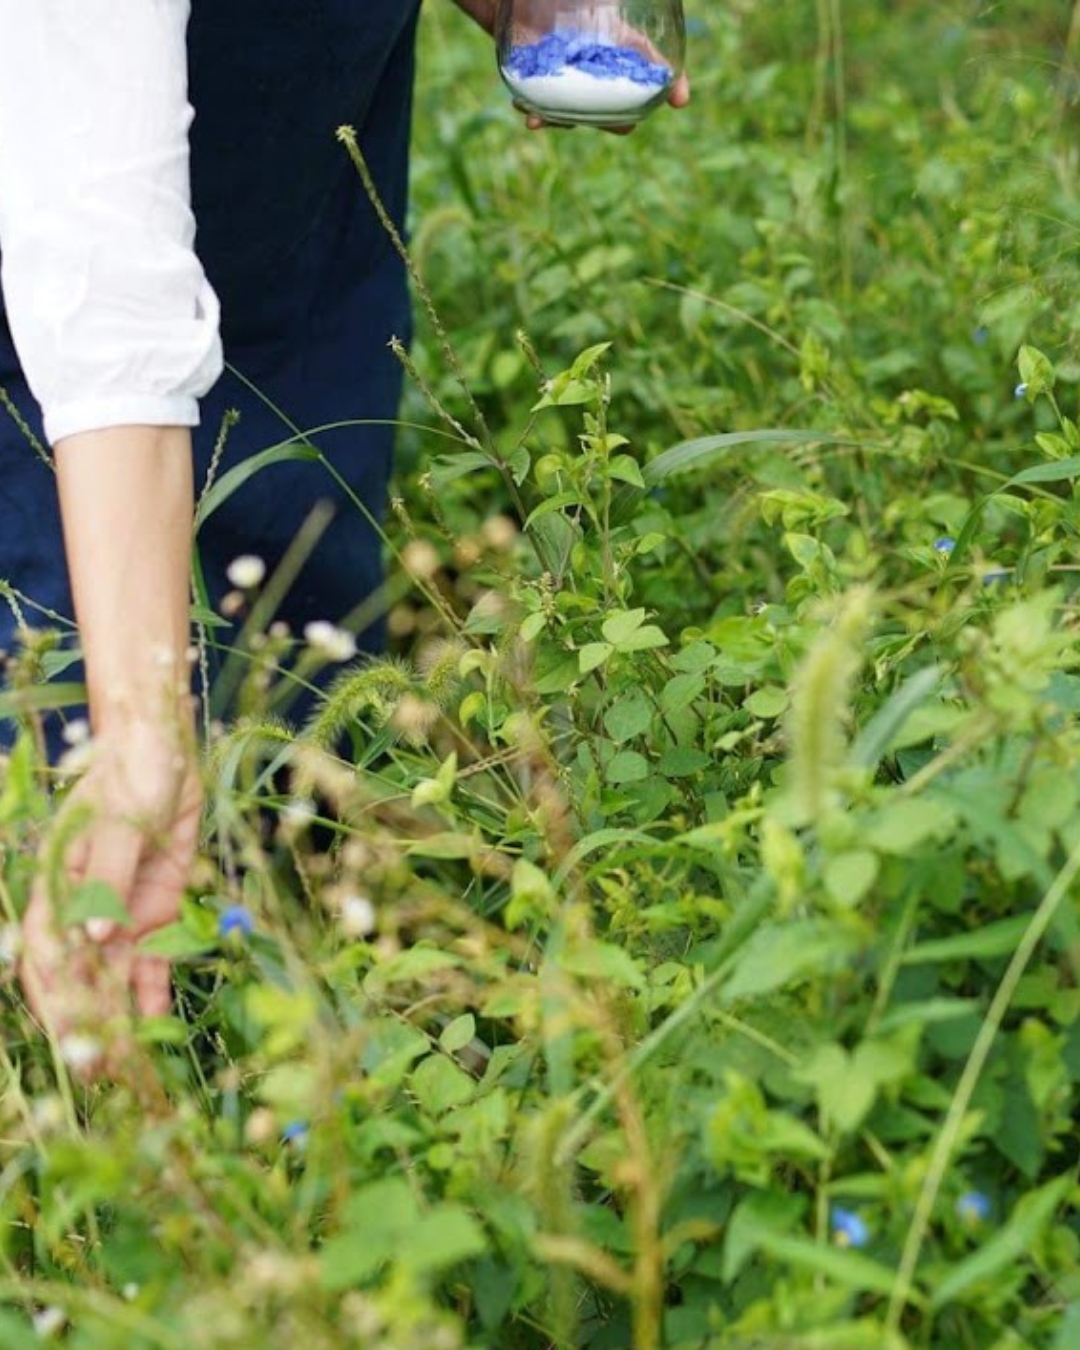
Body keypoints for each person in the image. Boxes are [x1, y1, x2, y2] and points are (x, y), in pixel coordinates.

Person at [0, 1, 689, 1051]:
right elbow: (99, 250)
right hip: (60, 197)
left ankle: (298, 976)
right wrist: (139, 716)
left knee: (294, 583)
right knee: (75, 727)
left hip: (296, 167)